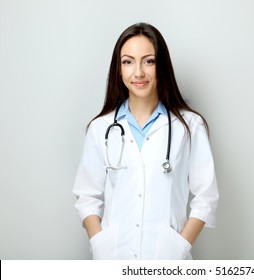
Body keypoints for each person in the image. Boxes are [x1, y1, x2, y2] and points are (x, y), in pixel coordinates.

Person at [72, 22, 219, 260]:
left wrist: (180, 246)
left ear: (162, 67)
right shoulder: (101, 129)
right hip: (113, 257)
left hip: (167, 259)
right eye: (128, 61)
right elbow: (87, 195)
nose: (138, 72)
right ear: (118, 70)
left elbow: (206, 197)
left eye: (148, 61)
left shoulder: (189, 127)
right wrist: (99, 241)